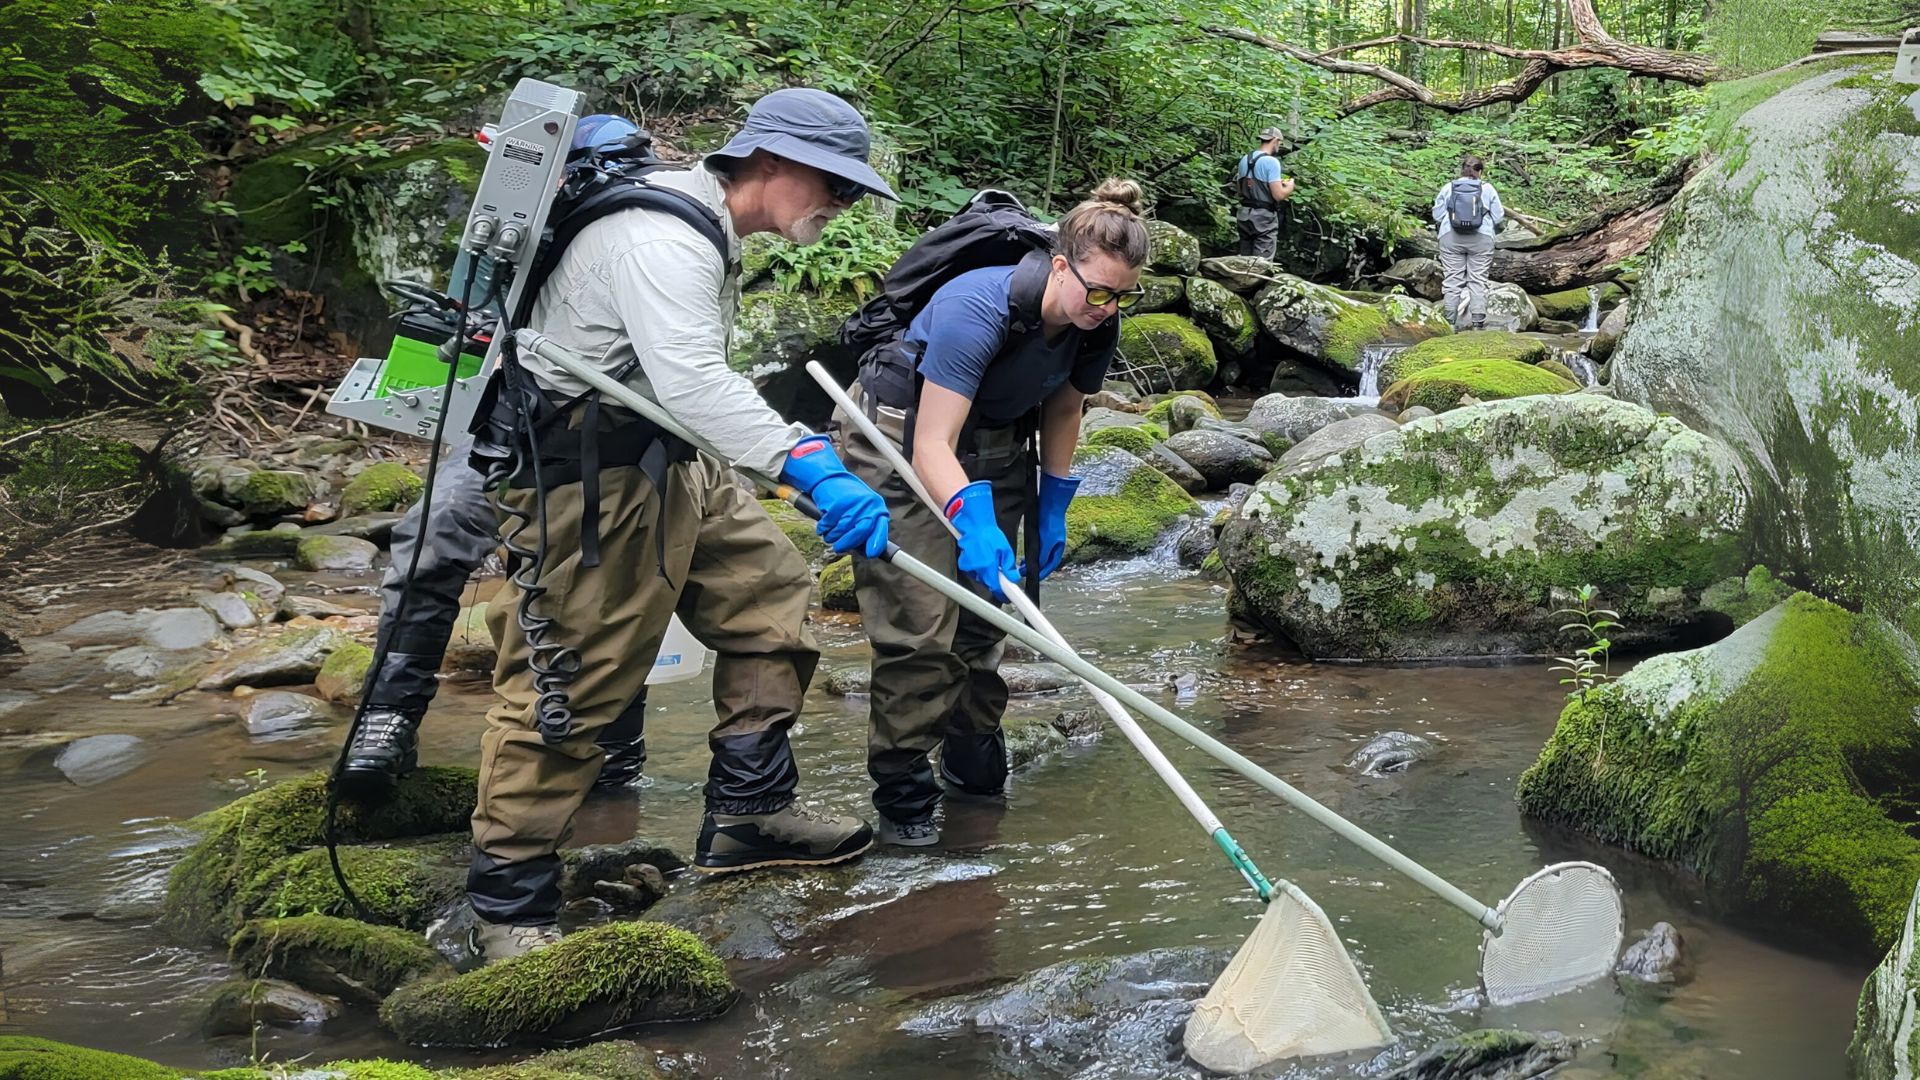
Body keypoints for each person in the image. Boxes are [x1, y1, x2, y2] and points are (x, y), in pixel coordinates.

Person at [464, 87, 897, 962]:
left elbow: (683, 388)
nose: (841, 207)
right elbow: (696, 379)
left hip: (669, 455)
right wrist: (805, 465)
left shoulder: (702, 228)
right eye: (836, 187)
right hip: (591, 480)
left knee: (768, 590)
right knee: (569, 681)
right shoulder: (662, 239)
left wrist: (788, 456)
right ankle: (507, 902)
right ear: (772, 164)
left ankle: (749, 814)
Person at [837, 179, 1150, 848]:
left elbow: (1065, 406)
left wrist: (1055, 502)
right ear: (1060, 265)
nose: (1106, 308)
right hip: (899, 439)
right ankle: (901, 786)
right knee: (921, 621)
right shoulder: (973, 308)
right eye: (1096, 292)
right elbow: (930, 446)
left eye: (1122, 296)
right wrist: (971, 521)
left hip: (998, 442)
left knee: (985, 616)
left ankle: (970, 746)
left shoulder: (1099, 315)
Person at [337, 442, 651, 796]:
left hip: (625, 445)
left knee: (593, 579)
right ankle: (387, 717)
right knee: (435, 533)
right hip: (501, 433)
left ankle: (609, 763)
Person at [1432, 154, 1505, 330]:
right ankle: (1477, 324)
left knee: (1452, 279)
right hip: (1481, 239)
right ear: (1479, 172)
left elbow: (1437, 215)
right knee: (1478, 280)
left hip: (1451, 238)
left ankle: (1450, 323)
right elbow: (1498, 216)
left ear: (1462, 169)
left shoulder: (1449, 188)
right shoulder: (1487, 189)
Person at [1231, 127, 1295, 260]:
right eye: (1279, 143)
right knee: (1261, 263)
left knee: (1245, 259)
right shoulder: (1271, 162)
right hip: (1263, 217)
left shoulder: (1245, 159)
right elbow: (1278, 195)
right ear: (1276, 141)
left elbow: (1239, 190)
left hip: (1244, 215)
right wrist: (1289, 187)